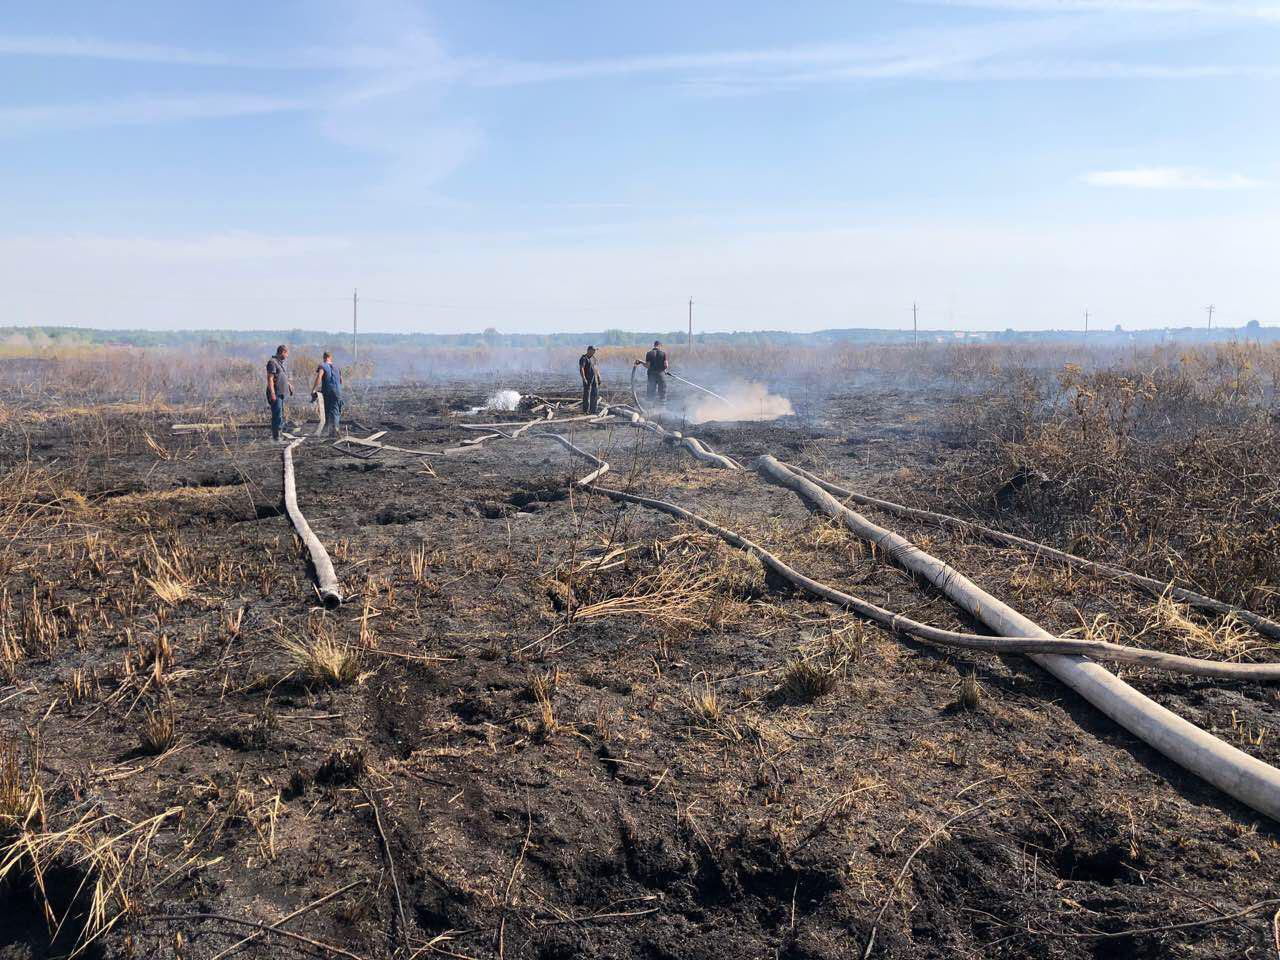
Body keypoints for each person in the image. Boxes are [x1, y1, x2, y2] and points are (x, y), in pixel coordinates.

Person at [310, 351, 344, 438]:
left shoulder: (322, 366)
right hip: (337, 392)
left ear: (324, 357)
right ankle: (334, 430)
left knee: (328, 411)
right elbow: (341, 381)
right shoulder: (337, 367)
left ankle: (329, 431)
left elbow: (319, 377)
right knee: (335, 411)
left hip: (328, 392)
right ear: (330, 357)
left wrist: (314, 389)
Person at [265, 344, 293, 442]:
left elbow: (282, 376)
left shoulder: (279, 363)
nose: (287, 356)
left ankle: (278, 436)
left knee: (279, 414)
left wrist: (289, 385)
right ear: (282, 352)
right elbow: (270, 378)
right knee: (277, 415)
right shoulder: (272, 362)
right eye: (286, 354)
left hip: (280, 393)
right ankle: (277, 437)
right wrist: (272, 393)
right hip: (275, 393)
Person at [578, 345, 601, 414]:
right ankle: (586, 411)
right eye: (593, 350)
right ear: (589, 350)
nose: (594, 352)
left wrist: (599, 377)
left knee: (594, 394)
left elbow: (596, 368)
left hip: (595, 379)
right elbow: (581, 368)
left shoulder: (594, 358)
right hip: (588, 379)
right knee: (587, 394)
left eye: (595, 351)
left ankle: (593, 410)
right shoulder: (583, 358)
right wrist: (584, 378)